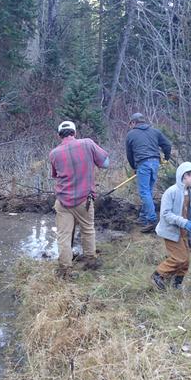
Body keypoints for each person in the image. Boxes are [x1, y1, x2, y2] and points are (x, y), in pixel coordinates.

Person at [49, 120, 110, 279]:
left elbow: (55, 175)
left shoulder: (54, 153)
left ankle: (65, 270)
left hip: (62, 201)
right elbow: (105, 164)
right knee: (88, 229)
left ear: (59, 135)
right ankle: (90, 260)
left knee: (63, 235)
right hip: (84, 200)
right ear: (74, 133)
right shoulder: (87, 144)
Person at [151, 162, 191, 291]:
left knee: (186, 261)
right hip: (171, 231)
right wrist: (183, 222)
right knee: (179, 258)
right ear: (185, 176)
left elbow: (189, 212)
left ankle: (176, 283)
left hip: (184, 231)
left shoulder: (190, 193)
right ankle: (158, 275)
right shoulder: (171, 192)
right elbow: (166, 214)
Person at [125, 113, 172, 233]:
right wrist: (166, 157)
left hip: (143, 164)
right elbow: (167, 145)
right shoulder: (155, 132)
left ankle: (151, 220)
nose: (130, 126)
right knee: (148, 191)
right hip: (155, 163)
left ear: (134, 122)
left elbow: (129, 155)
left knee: (144, 192)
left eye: (130, 123)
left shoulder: (131, 134)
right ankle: (143, 217)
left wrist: (134, 167)